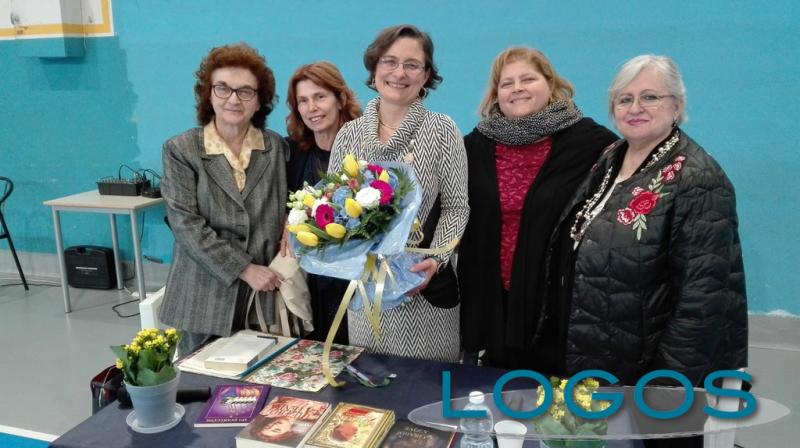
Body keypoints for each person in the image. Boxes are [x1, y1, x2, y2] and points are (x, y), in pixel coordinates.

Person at [544, 56, 747, 447]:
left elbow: (702, 302)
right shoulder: (611, 158)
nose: (635, 108)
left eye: (650, 96)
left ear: (678, 105)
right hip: (602, 360)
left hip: (656, 382)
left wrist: (665, 388)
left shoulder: (698, 179)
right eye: (624, 99)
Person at [458, 47, 618, 369]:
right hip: (493, 304)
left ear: (550, 84)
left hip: (556, 307)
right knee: (496, 398)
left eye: (528, 79)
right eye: (507, 83)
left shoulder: (592, 143)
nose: (517, 88)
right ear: (496, 94)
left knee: (552, 408)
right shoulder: (473, 146)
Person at [328, 24, 469, 362]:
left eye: (412, 64)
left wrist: (436, 260)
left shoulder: (443, 129)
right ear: (374, 68)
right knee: (369, 387)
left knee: (428, 391)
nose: (399, 73)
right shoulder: (348, 134)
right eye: (389, 61)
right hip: (366, 287)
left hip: (423, 283)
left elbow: (456, 207)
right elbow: (332, 206)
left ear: (426, 75)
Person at [160, 43, 288, 355]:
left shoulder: (277, 149)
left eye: (245, 91)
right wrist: (245, 269)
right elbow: (186, 225)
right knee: (202, 393)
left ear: (259, 102)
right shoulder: (181, 150)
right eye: (223, 89)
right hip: (201, 297)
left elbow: (292, 205)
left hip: (265, 298)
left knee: (261, 390)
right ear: (208, 95)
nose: (233, 99)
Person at [284, 62, 362, 344]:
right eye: (302, 101)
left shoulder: (366, 148)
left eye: (319, 97)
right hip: (312, 282)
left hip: (357, 282)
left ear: (340, 99)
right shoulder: (293, 152)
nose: (311, 108)